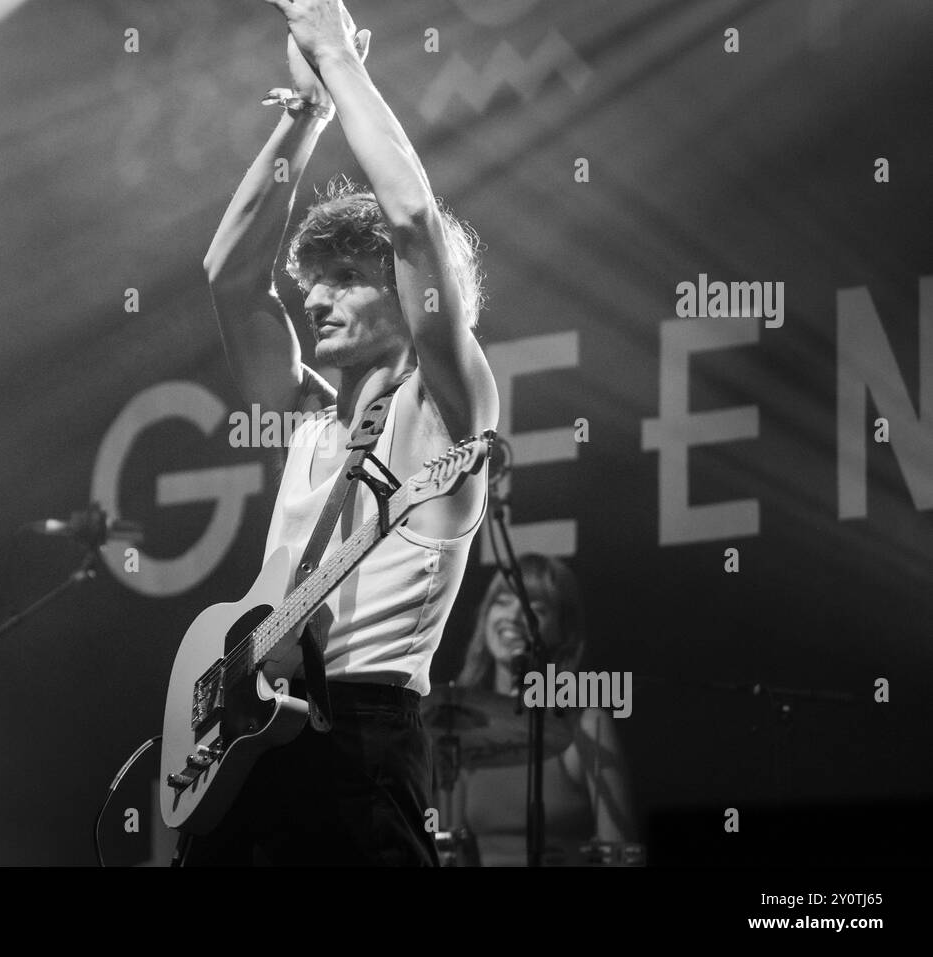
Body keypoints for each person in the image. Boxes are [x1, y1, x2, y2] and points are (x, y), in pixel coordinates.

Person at [181, 0, 498, 865]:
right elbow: (229, 276)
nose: (314, 299)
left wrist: (339, 60)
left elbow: (413, 224)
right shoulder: (308, 417)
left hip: (364, 745)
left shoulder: (444, 411)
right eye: (312, 281)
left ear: (408, 296)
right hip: (254, 739)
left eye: (346, 278)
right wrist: (304, 113)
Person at [452, 555, 636, 865]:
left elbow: (621, 854)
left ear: (562, 631)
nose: (513, 616)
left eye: (535, 609)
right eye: (502, 601)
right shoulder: (463, 725)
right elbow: (452, 848)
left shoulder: (587, 724)